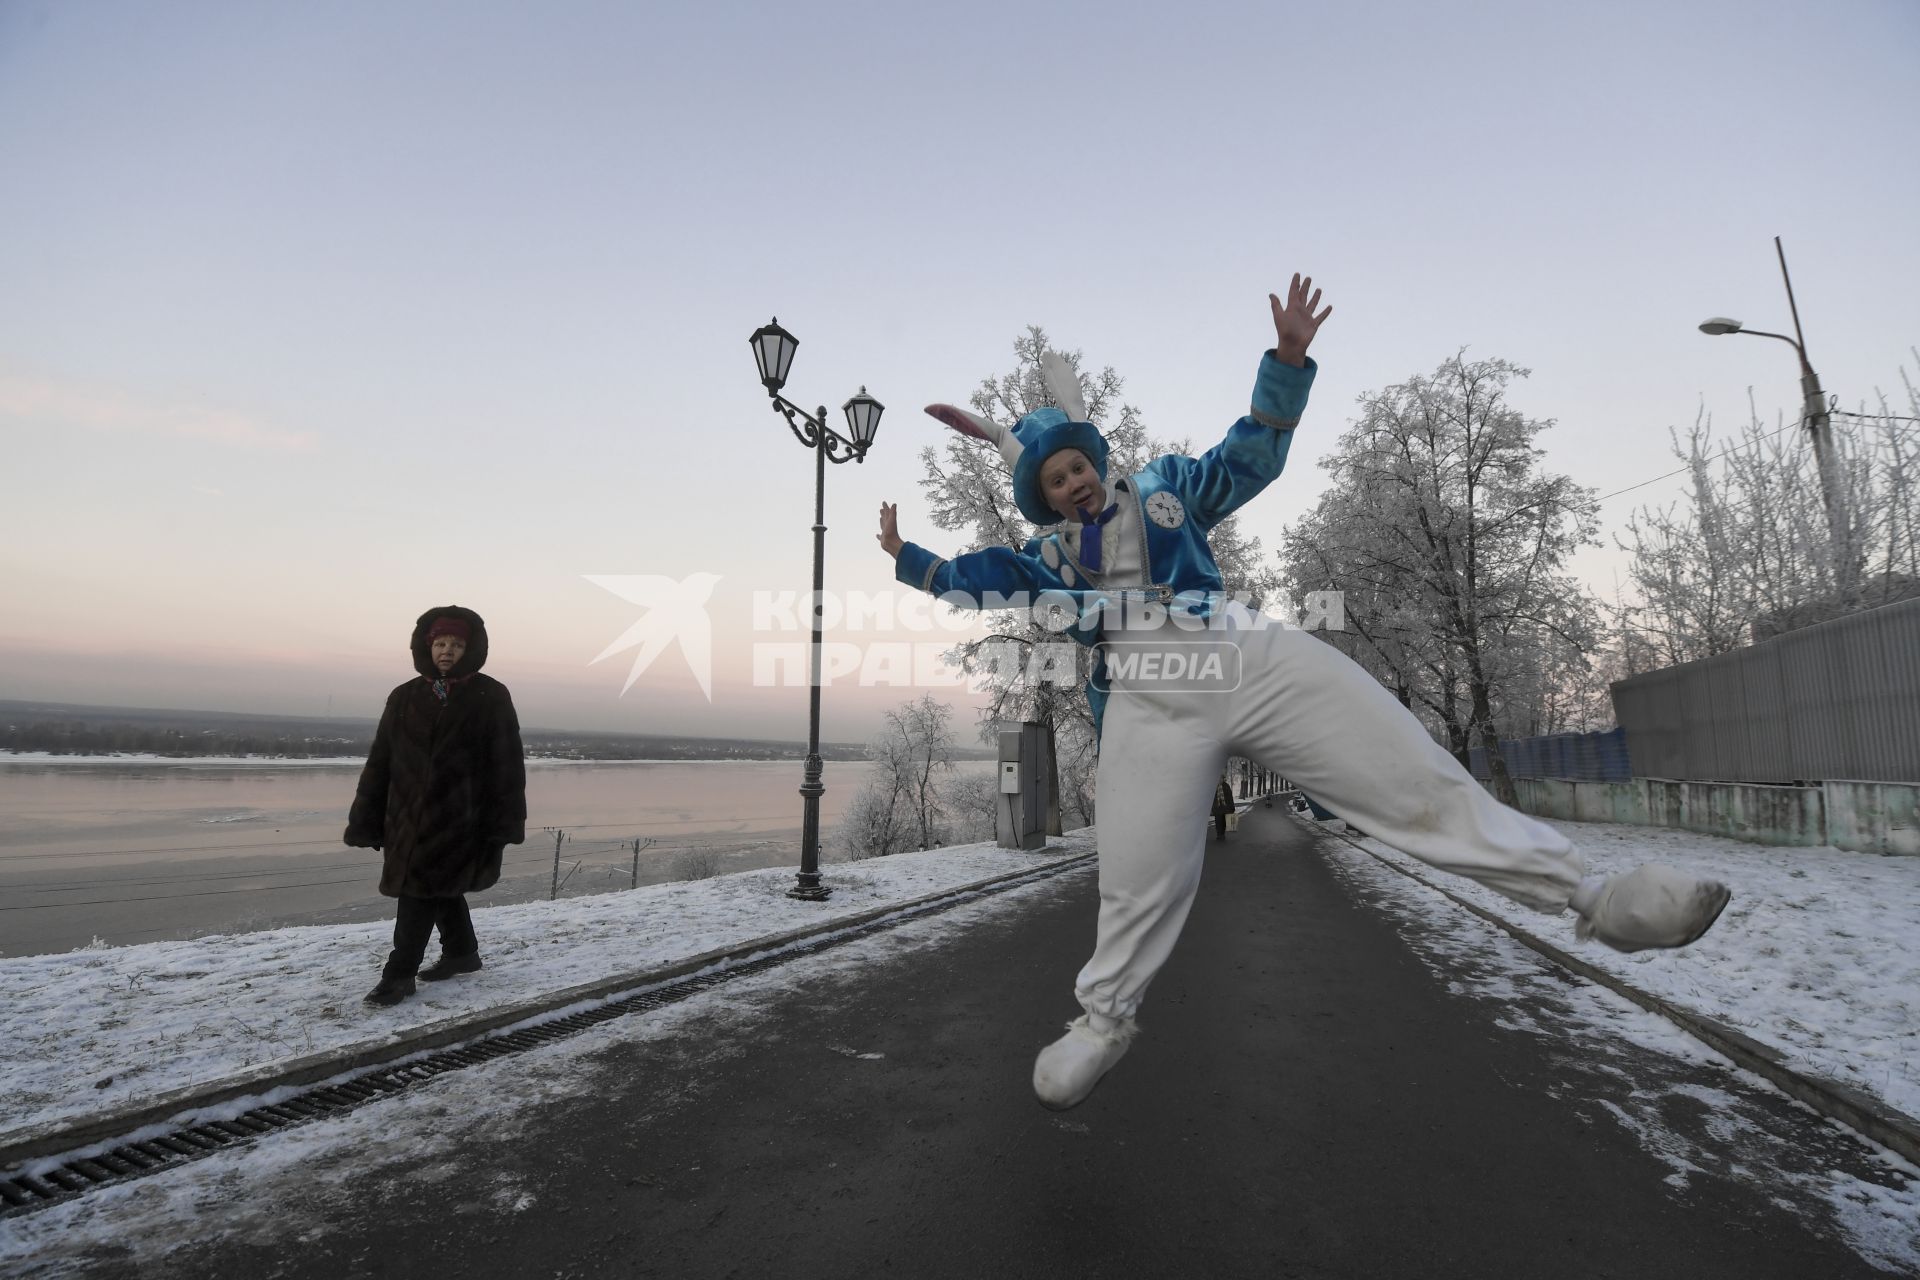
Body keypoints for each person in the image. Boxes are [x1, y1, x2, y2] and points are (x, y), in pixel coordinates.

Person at [877, 274, 1732, 1110]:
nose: (1073, 483)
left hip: (1238, 653)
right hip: (1148, 698)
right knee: (1134, 875)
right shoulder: (1046, 563)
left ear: (1097, 460)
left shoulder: (1167, 490)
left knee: (1407, 774)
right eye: (1054, 480)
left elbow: (1245, 459)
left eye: (1077, 466)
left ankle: (1598, 899)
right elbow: (976, 580)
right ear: (1043, 500)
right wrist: (907, 557)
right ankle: (1102, 1023)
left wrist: (1285, 362)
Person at [344, 606, 527, 1007]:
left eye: (457, 644)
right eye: (440, 643)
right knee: (437, 887)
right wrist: (368, 818)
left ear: (471, 647)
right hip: (405, 818)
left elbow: (507, 763)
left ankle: (398, 974)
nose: (447, 651)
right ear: (427, 646)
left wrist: (503, 823)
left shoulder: (490, 695)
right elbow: (382, 760)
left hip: (463, 820)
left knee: (419, 890)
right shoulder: (405, 695)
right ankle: (462, 954)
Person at [1211, 774, 1237, 841]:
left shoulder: (1226, 786)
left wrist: (1232, 807)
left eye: (1221, 778)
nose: (1220, 779)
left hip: (1225, 807)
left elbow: (1230, 797)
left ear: (1223, 779)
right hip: (1217, 807)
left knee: (1224, 822)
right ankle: (1219, 835)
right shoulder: (1214, 786)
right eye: (1219, 778)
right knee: (1218, 822)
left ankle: (1222, 834)